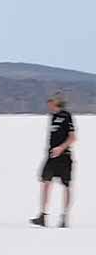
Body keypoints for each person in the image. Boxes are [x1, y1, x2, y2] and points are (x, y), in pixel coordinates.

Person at [31, 93, 77, 228]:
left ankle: (64, 216)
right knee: (45, 181)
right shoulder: (53, 117)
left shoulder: (66, 116)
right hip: (52, 156)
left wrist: (61, 148)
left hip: (64, 155)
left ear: (57, 102)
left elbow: (72, 137)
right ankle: (43, 215)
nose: (48, 104)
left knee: (66, 185)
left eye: (51, 101)